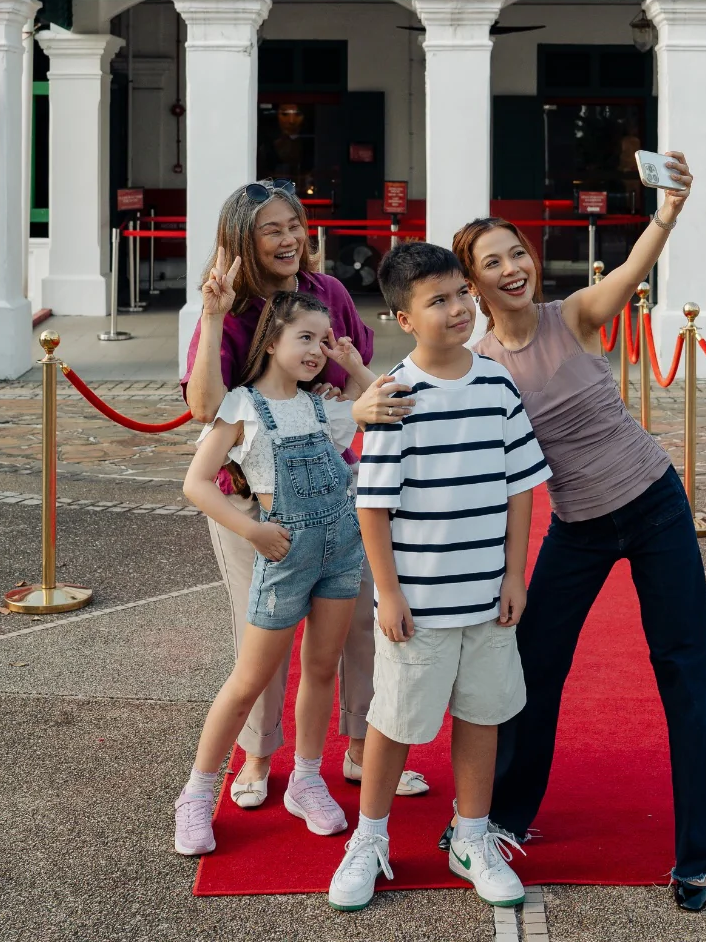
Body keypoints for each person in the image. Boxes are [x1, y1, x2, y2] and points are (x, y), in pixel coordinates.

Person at [457, 150, 706, 914]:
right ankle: (506, 815)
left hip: (655, 506)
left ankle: (703, 854)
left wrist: (667, 212)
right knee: (532, 665)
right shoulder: (481, 367)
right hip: (578, 526)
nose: (513, 268)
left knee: (684, 666)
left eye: (517, 253)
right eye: (493, 262)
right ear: (474, 285)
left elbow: (635, 266)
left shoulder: (574, 316)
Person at [184, 181, 425, 809]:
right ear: (242, 237)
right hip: (254, 500)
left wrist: (343, 391)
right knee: (260, 633)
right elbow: (205, 408)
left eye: (295, 224)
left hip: (335, 486)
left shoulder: (328, 294)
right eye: (272, 229)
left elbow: (356, 381)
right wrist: (211, 317)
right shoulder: (230, 306)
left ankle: (359, 748)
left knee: (360, 623)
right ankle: (259, 755)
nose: (290, 238)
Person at [329, 240, 547, 914]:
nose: (457, 309)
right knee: (395, 720)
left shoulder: (497, 384)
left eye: (461, 295)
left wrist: (514, 574)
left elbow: (520, 486)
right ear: (404, 318)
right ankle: (368, 838)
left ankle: (472, 837)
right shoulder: (396, 396)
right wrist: (389, 593)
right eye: (437, 301)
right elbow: (373, 505)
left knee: (483, 714)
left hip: (487, 595)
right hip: (419, 602)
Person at [173, 291, 372, 857]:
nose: (316, 351)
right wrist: (253, 530)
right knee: (249, 681)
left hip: (341, 554)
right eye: (304, 338)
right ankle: (197, 793)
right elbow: (195, 483)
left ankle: (306, 780)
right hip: (286, 559)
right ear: (271, 342)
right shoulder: (242, 407)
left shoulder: (322, 405)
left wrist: (351, 363)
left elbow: (386, 404)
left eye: (323, 340)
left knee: (322, 669)